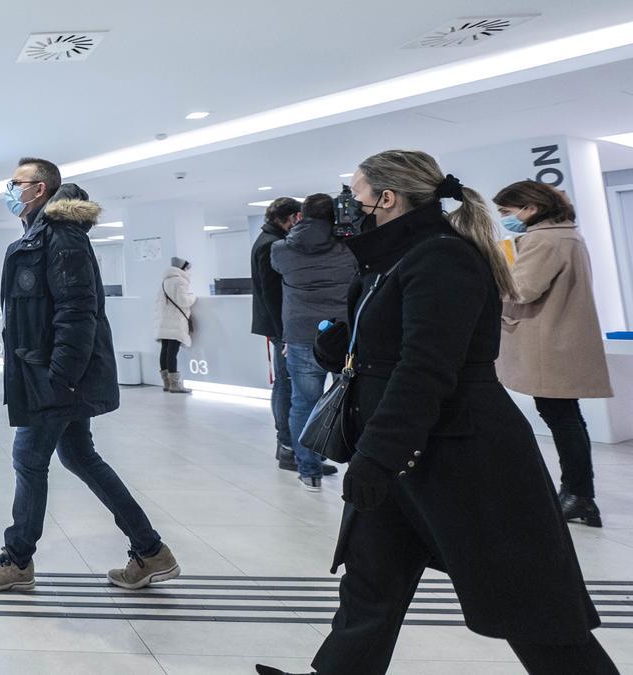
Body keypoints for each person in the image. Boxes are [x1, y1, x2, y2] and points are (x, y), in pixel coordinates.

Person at [257, 150, 616, 675]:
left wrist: (378, 456)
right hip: (402, 448)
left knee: (526, 601)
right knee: (371, 579)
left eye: (354, 194)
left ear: (388, 197)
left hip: (462, 455)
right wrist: (339, 346)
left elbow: (427, 369)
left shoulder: (441, 257)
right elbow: (380, 346)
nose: (346, 206)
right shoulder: (390, 259)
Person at [0, 157, 180, 592]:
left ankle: (17, 559)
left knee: (29, 458)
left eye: (15, 183)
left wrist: (59, 376)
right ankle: (151, 551)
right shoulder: (39, 235)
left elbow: (77, 312)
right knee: (79, 456)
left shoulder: (61, 238)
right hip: (49, 373)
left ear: (39, 189)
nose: (9, 190)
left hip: (55, 377)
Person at [493, 180, 613, 527]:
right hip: (561, 336)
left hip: (550, 339)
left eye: (507, 211)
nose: (506, 218)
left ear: (529, 208)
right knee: (566, 416)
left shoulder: (544, 239)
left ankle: (578, 495)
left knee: (561, 417)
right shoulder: (566, 234)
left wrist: (494, 272)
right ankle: (578, 492)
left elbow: (523, 289)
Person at [270, 193, 355, 491]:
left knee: (303, 403)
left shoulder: (280, 250)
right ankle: (356, 463)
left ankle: (309, 470)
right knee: (352, 400)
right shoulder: (349, 246)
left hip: (301, 335)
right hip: (344, 334)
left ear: (301, 216)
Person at [252, 198, 301, 471]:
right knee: (285, 384)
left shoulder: (267, 239)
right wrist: (284, 333)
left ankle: (288, 446)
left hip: (278, 326)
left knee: (285, 383)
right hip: (281, 327)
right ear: (292, 217)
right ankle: (287, 446)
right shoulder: (271, 244)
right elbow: (272, 293)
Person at [154, 256, 196, 394]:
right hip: (176, 321)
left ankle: (166, 383)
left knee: (165, 350)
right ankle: (175, 385)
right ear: (182, 268)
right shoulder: (180, 281)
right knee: (173, 352)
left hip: (165, 320)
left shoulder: (164, 281)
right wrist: (193, 296)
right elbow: (184, 301)